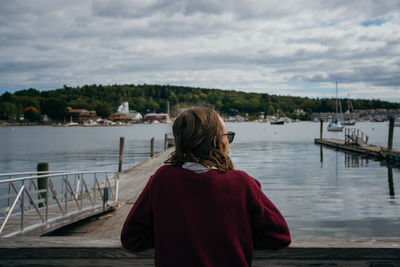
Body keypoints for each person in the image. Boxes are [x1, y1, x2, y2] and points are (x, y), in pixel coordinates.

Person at [120, 106, 291, 267]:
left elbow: (132, 238)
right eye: (227, 136)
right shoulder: (242, 183)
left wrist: (174, 237)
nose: (229, 142)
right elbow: (279, 236)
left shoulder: (162, 179)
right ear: (217, 142)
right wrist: (236, 238)